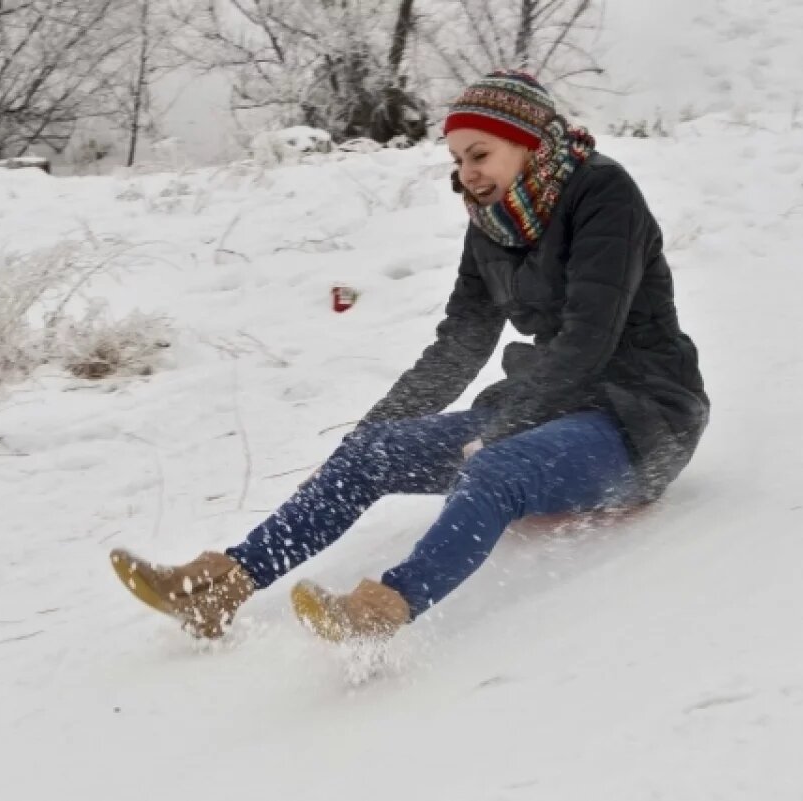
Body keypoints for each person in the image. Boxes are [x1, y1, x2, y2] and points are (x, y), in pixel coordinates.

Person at [109, 71, 710, 643]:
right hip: (550, 409)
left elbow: (590, 338)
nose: (467, 174)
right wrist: (365, 439)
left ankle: (382, 611)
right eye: (457, 160)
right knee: (372, 451)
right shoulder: (492, 226)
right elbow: (460, 344)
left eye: (480, 155)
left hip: (639, 421)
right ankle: (219, 588)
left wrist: (504, 429)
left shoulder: (604, 194)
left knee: (493, 468)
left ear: (528, 144)